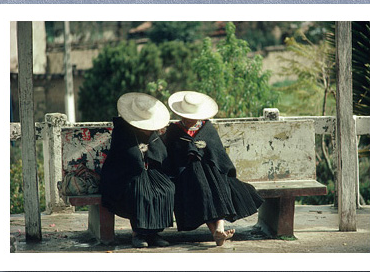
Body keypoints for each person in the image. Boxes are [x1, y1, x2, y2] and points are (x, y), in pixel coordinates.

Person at [164, 91, 263, 246]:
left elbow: (218, 155)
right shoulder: (173, 131)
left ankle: (219, 230)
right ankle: (217, 230)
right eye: (186, 117)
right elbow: (170, 158)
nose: (189, 120)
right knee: (203, 189)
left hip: (211, 172)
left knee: (218, 186)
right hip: (185, 174)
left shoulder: (207, 129)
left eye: (192, 117)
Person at [100, 92, 175, 248]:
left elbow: (161, 153)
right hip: (123, 173)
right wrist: (140, 161)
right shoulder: (122, 130)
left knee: (165, 189)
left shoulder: (153, 132)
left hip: (149, 171)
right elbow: (125, 155)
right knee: (139, 191)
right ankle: (138, 233)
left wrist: (149, 160)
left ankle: (154, 233)